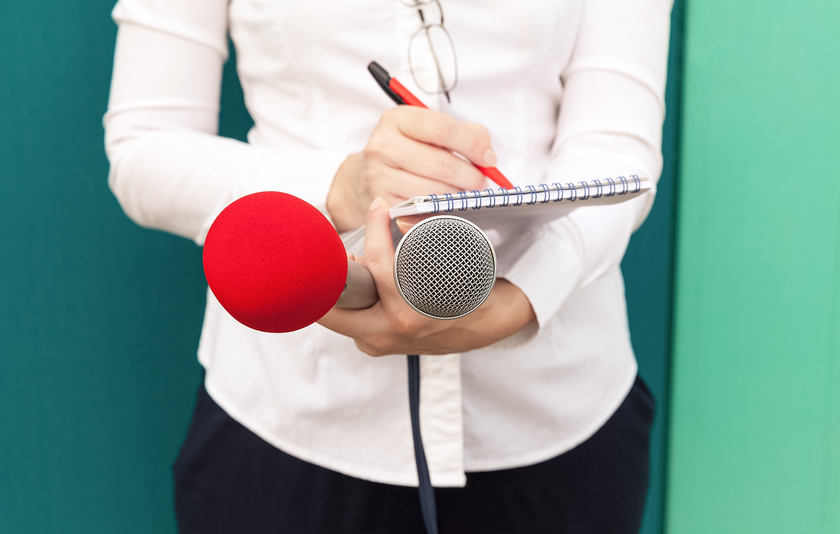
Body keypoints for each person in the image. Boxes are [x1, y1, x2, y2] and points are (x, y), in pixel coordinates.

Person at [105, 0, 671, 531]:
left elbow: (619, 153)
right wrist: (337, 188)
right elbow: (144, 149)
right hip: (288, 418)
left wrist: (528, 292)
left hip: (555, 414)